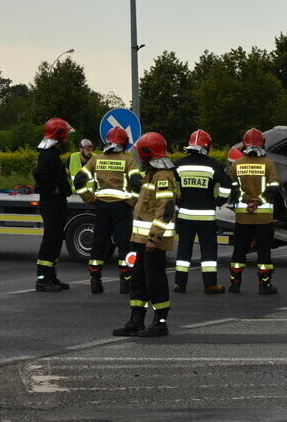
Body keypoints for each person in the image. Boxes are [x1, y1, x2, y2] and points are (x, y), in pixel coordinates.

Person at [112, 132, 178, 338]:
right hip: (142, 239)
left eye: (141, 152)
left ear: (148, 152)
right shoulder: (151, 173)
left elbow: (165, 209)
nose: (139, 156)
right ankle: (136, 320)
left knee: (155, 282)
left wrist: (154, 238)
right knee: (138, 281)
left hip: (153, 241)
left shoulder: (163, 176)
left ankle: (160, 322)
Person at [74, 127, 142, 294]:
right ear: (124, 144)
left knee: (98, 245)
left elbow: (78, 181)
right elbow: (137, 183)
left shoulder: (96, 160)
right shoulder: (128, 160)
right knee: (124, 246)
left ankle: (95, 282)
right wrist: (132, 201)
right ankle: (125, 283)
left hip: (102, 207)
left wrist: (90, 199)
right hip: (122, 208)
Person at [173, 129, 232, 294]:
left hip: (185, 215)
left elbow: (167, 181)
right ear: (207, 146)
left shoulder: (179, 164)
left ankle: (179, 284)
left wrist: (177, 199)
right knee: (208, 252)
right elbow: (226, 184)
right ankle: (210, 285)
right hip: (206, 217)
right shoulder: (212, 164)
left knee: (184, 250)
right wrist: (218, 201)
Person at [227, 128, 280, 294]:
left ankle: (235, 284)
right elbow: (274, 187)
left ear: (244, 145)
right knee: (264, 253)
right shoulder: (268, 164)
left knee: (239, 252)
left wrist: (246, 200)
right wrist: (258, 202)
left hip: (242, 218)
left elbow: (232, 188)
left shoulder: (237, 164)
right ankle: (264, 285)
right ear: (262, 144)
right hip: (263, 220)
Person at [32, 118, 74, 292]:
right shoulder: (48, 154)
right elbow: (40, 173)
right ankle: (42, 280)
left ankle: (51, 276)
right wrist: (53, 189)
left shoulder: (51, 152)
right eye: (65, 135)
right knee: (50, 241)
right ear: (59, 135)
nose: (67, 139)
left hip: (57, 203)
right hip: (52, 203)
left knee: (55, 240)